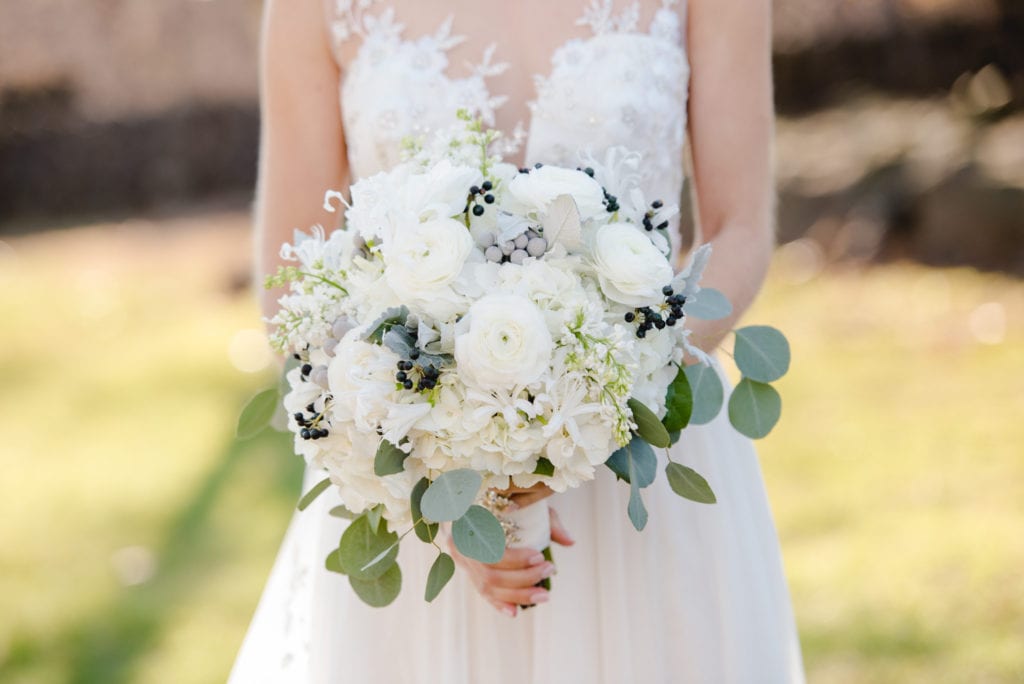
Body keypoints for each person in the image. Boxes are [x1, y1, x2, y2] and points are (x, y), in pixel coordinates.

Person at [231, 0, 804, 681]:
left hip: (645, 463)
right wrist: (436, 486)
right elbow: (289, 283)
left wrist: (621, 382)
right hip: (418, 487)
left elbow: (739, 227)